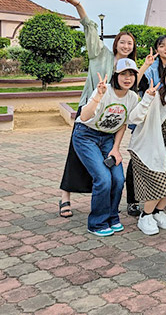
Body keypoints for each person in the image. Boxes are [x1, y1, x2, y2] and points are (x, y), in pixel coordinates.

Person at [57, 0, 150, 219]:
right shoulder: (100, 54)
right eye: (123, 41)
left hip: (111, 117)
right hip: (89, 110)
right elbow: (89, 27)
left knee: (105, 163)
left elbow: (131, 88)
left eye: (130, 43)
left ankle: (103, 202)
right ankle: (65, 196)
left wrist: (145, 66)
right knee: (75, 155)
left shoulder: (130, 66)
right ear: (116, 42)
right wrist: (79, 5)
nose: (127, 45)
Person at [71, 59, 140, 236]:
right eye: (124, 74)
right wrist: (98, 96)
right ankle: (96, 223)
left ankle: (112, 216)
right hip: (86, 135)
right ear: (116, 75)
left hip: (109, 137)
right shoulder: (104, 90)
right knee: (103, 178)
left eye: (131, 74)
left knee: (118, 179)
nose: (128, 78)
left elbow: (123, 123)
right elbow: (84, 117)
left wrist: (116, 148)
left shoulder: (132, 97)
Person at [128, 64, 166, 235]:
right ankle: (145, 215)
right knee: (158, 184)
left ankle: (157, 212)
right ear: (164, 80)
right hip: (145, 147)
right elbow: (134, 118)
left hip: (165, 149)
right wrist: (147, 98)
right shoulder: (156, 97)